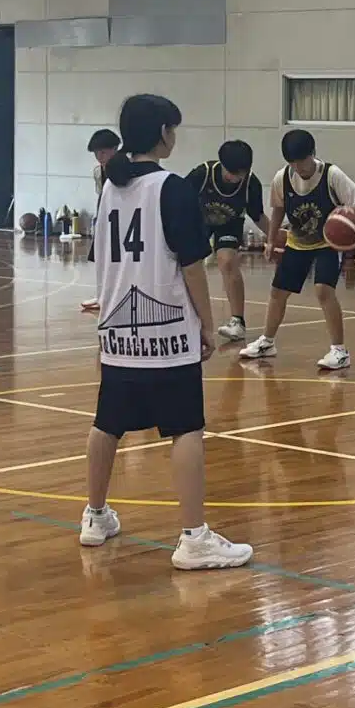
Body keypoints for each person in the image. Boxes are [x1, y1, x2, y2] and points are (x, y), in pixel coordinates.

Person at [80, 93, 253, 570]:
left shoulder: (109, 187)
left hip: (117, 333)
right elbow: (192, 266)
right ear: (162, 132)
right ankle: (195, 538)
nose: (175, 136)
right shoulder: (171, 188)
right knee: (186, 427)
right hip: (168, 331)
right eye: (173, 128)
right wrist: (207, 325)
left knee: (107, 423)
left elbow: (102, 259)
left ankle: (95, 516)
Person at [239, 129, 355, 370]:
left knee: (323, 290)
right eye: (293, 163)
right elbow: (278, 209)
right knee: (278, 292)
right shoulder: (282, 178)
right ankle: (267, 342)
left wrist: (342, 213)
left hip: (328, 243)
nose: (298, 167)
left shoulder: (331, 175)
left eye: (302, 161)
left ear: (313, 153)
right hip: (298, 242)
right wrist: (271, 240)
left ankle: (339, 351)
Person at [189, 138, 266, 344]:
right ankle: (187, 316)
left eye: (240, 174)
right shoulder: (203, 174)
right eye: (231, 173)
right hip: (198, 221)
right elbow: (180, 201)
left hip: (229, 224)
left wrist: (277, 238)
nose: (235, 178)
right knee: (188, 264)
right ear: (221, 164)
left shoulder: (251, 184)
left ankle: (237, 322)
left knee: (227, 260)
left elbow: (258, 216)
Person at [79, 126, 121, 313]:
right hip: (106, 219)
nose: (99, 156)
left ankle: (118, 295)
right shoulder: (98, 172)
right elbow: (102, 197)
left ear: (115, 149)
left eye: (103, 152)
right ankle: (102, 295)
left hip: (123, 220)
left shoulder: (127, 169)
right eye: (96, 153)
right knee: (102, 259)